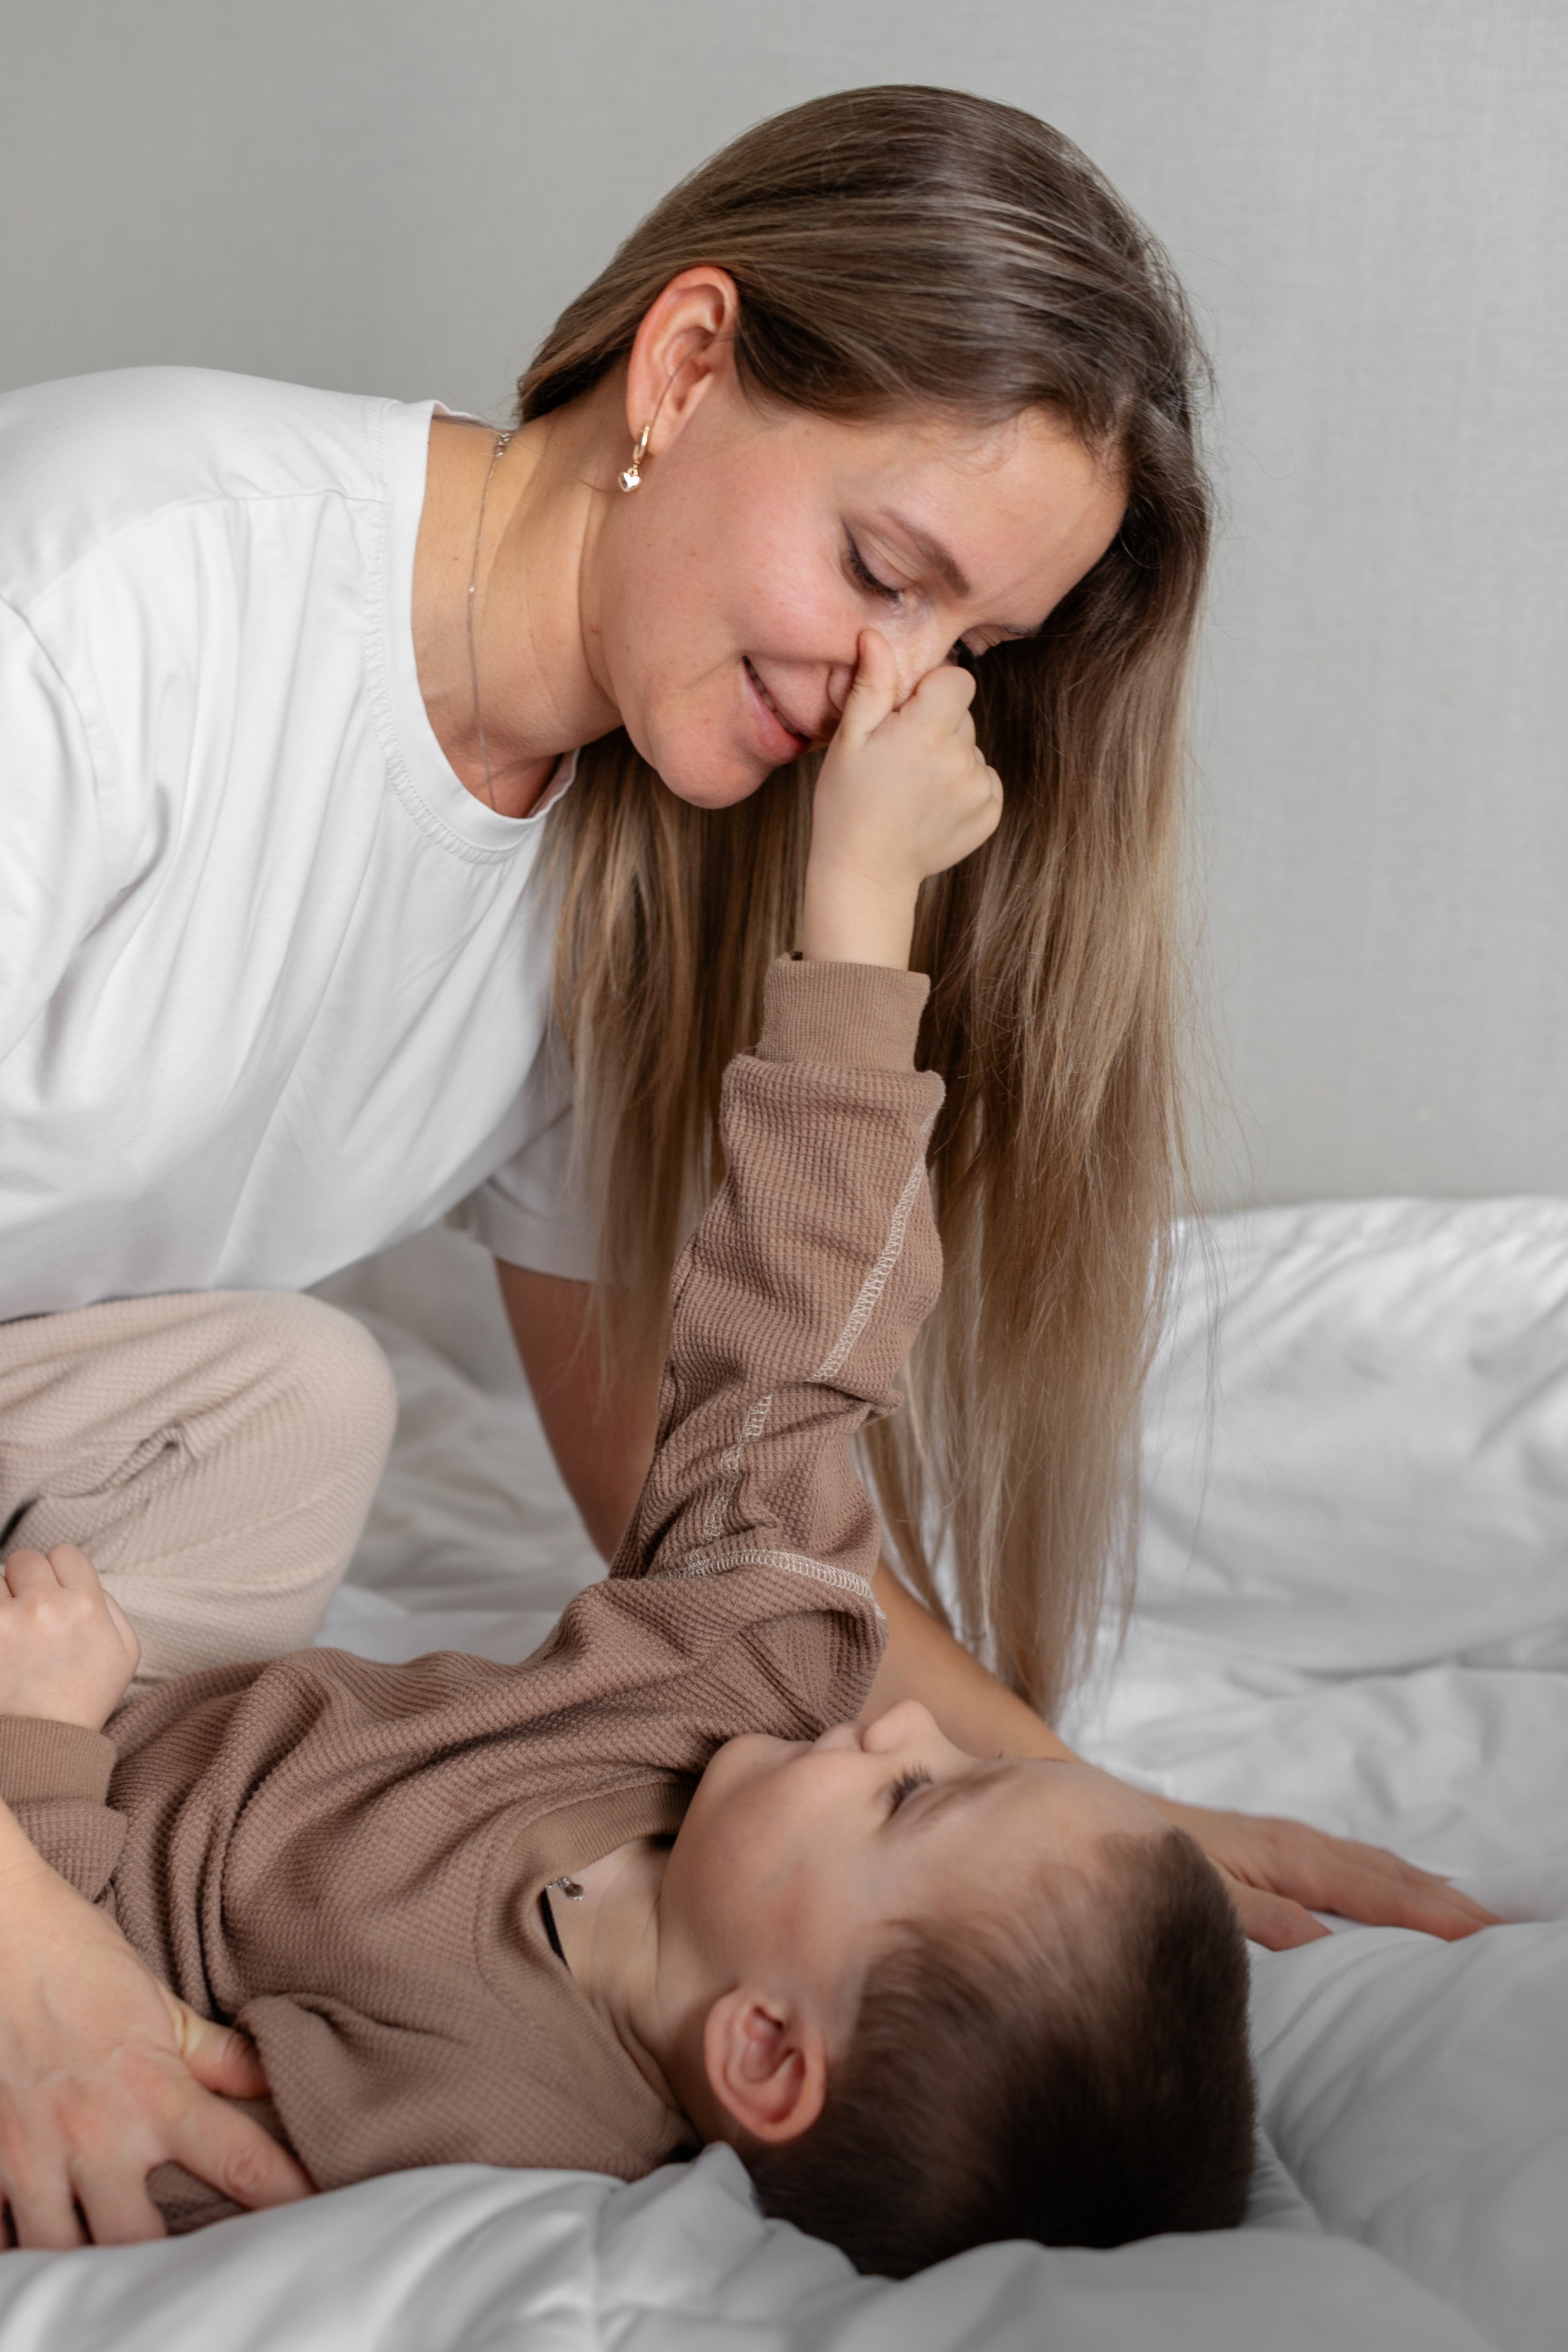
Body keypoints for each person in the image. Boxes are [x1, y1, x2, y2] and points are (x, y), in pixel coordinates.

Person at [0, 83, 1490, 2213]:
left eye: (968, 656)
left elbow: (720, 1505)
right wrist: (29, 1942)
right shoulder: (97, 605)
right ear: (685, 369)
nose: (902, 699)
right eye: (885, 570)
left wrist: (1071, 1821)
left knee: (300, 1397)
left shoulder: (624, 835)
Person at [0, 692, 1255, 2267]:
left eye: (915, 1797)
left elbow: (119, 2121)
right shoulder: (734, 1702)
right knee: (311, 1393)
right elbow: (790, 1367)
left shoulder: (471, 2112)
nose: (906, 1720)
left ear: (764, 2054)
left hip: (51, 1830)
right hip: (143, 1692)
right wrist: (858, 914)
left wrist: (39, 1750)